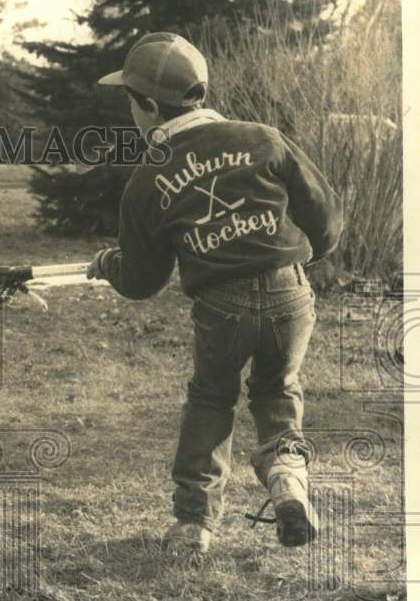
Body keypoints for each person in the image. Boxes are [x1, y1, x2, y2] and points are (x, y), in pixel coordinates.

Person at [87, 32, 342, 554]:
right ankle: (288, 478)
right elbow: (327, 215)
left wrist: (110, 265)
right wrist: (297, 263)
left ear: (150, 106)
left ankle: (194, 524)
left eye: (130, 102)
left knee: (210, 400)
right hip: (289, 293)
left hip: (221, 307)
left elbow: (142, 281)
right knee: (277, 390)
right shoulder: (263, 137)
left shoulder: (147, 178)